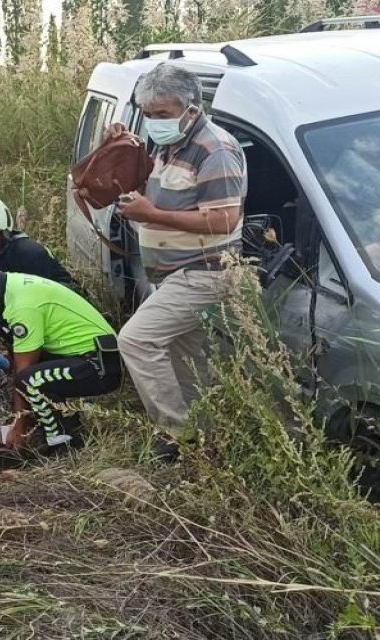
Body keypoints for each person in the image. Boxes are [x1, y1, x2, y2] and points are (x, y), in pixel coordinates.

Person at [105, 62, 248, 461]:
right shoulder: (169, 144)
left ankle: (177, 436)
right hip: (173, 274)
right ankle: (207, 441)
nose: (154, 122)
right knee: (186, 359)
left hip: (204, 272)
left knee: (137, 339)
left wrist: (152, 216)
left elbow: (223, 219)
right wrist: (119, 147)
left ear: (191, 108)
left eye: (162, 115)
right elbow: (148, 182)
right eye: (148, 115)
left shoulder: (215, 149)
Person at [0, 248, 120, 455]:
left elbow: (24, 369)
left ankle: (61, 442)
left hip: (99, 364)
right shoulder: (11, 287)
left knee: (29, 380)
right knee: (24, 378)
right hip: (83, 356)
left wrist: (18, 427)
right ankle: (66, 420)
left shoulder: (22, 304)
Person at [0, 195, 78, 346]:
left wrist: (1, 308)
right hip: (26, 309)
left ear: (3, 232)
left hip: (63, 310)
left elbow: (42, 300)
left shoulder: (28, 253)